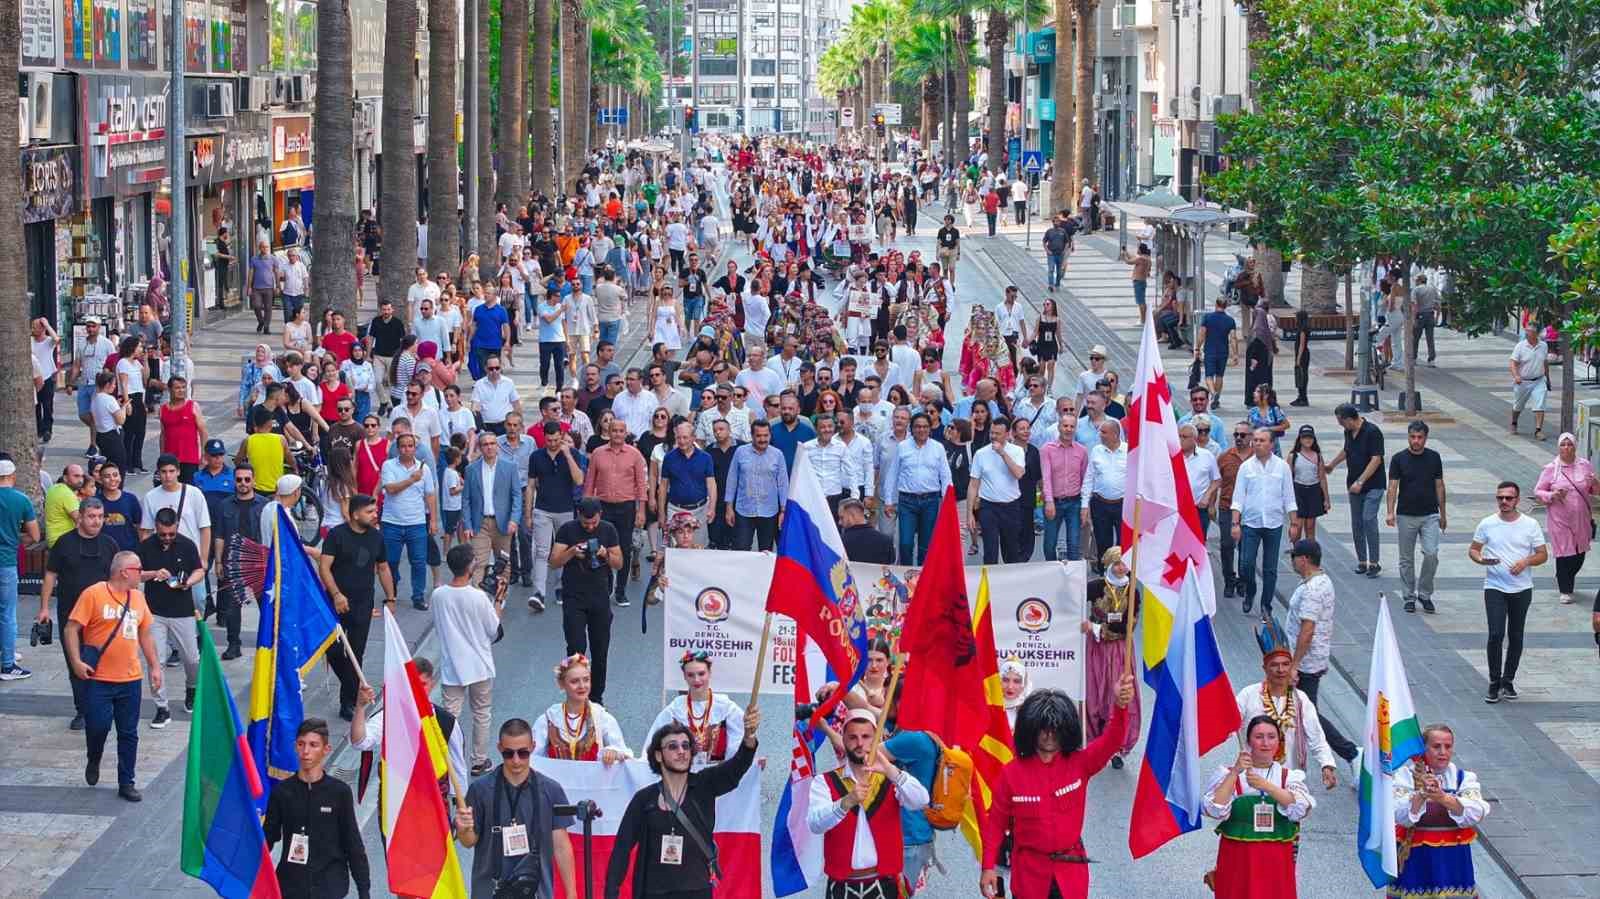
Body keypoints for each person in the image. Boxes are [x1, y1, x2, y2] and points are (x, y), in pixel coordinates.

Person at [980, 678, 1136, 898]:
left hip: (1070, 874)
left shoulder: (1080, 763)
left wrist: (1120, 706)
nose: (1049, 735)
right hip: (1029, 877)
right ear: (1031, 729)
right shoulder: (1011, 774)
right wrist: (988, 867)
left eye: (1055, 729)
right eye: (1043, 729)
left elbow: (1113, 739)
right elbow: (995, 824)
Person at [606, 700, 760, 899]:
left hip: (697, 891)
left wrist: (749, 736)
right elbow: (621, 850)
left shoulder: (704, 785)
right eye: (673, 746)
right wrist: (611, 893)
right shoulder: (644, 799)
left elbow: (738, 765)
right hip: (653, 892)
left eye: (686, 746)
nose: (681, 751)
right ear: (659, 755)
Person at [64, 551, 162, 801]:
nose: (142, 573)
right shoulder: (94, 594)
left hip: (130, 679)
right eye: (138, 569)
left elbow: (145, 635)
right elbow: (71, 628)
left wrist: (154, 666)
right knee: (98, 726)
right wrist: (75, 661)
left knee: (129, 733)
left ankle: (126, 781)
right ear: (123, 572)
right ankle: (94, 758)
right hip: (98, 679)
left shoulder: (139, 598)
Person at [807, 707, 932, 899]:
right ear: (844, 739)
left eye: (866, 737)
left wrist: (891, 770)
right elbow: (815, 824)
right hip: (842, 885)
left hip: (885, 883)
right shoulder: (825, 781)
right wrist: (846, 802)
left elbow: (921, 800)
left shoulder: (891, 778)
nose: (859, 743)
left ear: (876, 739)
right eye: (853, 737)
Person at [457, 718, 579, 899]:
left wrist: (571, 893)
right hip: (489, 892)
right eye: (508, 753)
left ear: (533, 747)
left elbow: (561, 846)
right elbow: (468, 842)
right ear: (499, 748)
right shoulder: (480, 790)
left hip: (537, 892)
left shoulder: (551, 790)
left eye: (523, 753)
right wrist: (463, 829)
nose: (516, 760)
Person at [1202, 716, 1315, 898]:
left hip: (1276, 863)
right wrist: (1235, 772)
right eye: (1259, 736)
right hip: (1238, 861)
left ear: (1279, 741)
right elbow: (1214, 809)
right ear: (1248, 742)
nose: (1265, 742)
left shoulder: (1289, 777)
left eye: (1271, 736)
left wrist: (1266, 786)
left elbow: (1301, 807)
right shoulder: (1230, 774)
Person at [262, 719, 372, 899]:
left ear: (326, 750)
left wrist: (364, 891)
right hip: (291, 887)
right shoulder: (282, 792)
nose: (306, 752)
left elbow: (352, 843)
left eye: (313, 745)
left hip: (330, 887)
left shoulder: (339, 792)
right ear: (295, 747)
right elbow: (267, 838)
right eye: (301, 744)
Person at [1236, 618, 1339, 790]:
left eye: (1285, 664)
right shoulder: (1248, 695)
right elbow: (1228, 722)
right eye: (1274, 665)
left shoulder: (1301, 699)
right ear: (1265, 668)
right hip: (1252, 776)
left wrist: (1326, 765)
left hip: (1288, 778)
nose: (1281, 670)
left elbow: (1316, 735)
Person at [1389, 724, 1491, 899]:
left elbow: (1478, 812)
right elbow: (1398, 814)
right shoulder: (1405, 776)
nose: (1443, 751)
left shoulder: (1463, 778)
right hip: (1416, 856)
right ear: (1423, 748)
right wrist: (1422, 794)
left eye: (1448, 746)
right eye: (1436, 746)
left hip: (1452, 858)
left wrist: (1443, 797)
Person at [1469, 480, 1549, 703]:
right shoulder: (1487, 523)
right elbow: (1474, 550)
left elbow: (1543, 554)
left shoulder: (1530, 525)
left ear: (1517, 500)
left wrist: (1525, 562)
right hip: (1494, 586)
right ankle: (1494, 682)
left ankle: (1508, 680)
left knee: (1515, 635)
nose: (1504, 502)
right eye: (1500, 498)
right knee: (1495, 634)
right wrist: (1481, 560)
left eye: (1508, 498)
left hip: (1521, 589)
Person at [317, 494, 396, 719]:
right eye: (369, 512)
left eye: (375, 511)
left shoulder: (376, 537)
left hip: (363, 602)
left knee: (356, 651)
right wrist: (336, 594)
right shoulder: (336, 535)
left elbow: (383, 568)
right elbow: (324, 567)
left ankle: (348, 702)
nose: (375, 514)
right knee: (331, 649)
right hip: (335, 602)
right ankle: (353, 685)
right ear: (354, 514)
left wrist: (390, 598)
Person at [1284, 540, 1359, 766]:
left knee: (1310, 715)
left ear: (1304, 559)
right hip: (1311, 659)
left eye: (1294, 556)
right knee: (1303, 710)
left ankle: (1352, 754)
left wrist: (1294, 665)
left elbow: (1307, 629)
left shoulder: (1313, 590)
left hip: (1307, 663)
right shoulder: (1319, 582)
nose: (1292, 561)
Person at [433, 544, 503, 776]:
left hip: (452, 664)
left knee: (449, 714)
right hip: (479, 664)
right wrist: (499, 601)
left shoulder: (438, 595)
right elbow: (494, 630)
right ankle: (478, 760)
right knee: (481, 713)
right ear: (470, 565)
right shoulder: (479, 597)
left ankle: (447, 759)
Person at [552, 499, 625, 703]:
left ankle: (596, 697)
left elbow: (619, 563)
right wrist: (572, 552)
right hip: (574, 597)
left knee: (600, 650)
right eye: (586, 524)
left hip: (600, 596)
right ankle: (574, 695)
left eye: (594, 523)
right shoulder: (567, 530)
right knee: (575, 648)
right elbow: (554, 561)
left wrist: (605, 554)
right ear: (578, 515)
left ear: (600, 515)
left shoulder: (608, 530)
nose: (590, 527)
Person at [135, 508, 203, 728]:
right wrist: (154, 573)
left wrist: (189, 582)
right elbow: (135, 574)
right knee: (156, 661)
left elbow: (199, 570)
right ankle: (161, 707)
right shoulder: (146, 546)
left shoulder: (187, 545)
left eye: (171, 534)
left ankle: (191, 688)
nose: (167, 538)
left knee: (192, 659)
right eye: (163, 534)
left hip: (182, 610)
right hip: (154, 612)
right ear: (156, 528)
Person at [1083, 549, 1141, 769]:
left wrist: (1097, 626)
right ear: (1108, 564)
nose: (1121, 568)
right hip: (1096, 649)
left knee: (1121, 693)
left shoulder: (1133, 591)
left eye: (1124, 563)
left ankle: (1119, 746)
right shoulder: (1096, 586)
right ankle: (1095, 739)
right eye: (1117, 564)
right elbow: (1072, 598)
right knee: (1095, 691)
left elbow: (1128, 624)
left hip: (1119, 649)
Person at [643, 651, 747, 770]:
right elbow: (653, 746)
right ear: (684, 676)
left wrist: (751, 762)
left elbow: (740, 743)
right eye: (691, 675)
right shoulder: (675, 710)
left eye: (701, 673)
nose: (696, 680)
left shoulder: (726, 708)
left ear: (709, 673)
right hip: (683, 778)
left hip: (717, 778)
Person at [1233, 428, 1297, 618]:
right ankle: (1250, 591)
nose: (1257, 443)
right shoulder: (1246, 467)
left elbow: (1289, 497)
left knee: (1270, 568)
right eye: (1256, 440)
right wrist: (1235, 523)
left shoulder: (1282, 467)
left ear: (1271, 444)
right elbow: (1238, 497)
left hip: (1274, 523)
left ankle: (1266, 604)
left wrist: (1294, 524)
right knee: (1246, 563)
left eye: (1262, 440)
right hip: (1250, 524)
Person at [584, 419, 647, 608]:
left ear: (625, 433)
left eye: (621, 431)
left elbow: (641, 485)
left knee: (624, 549)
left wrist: (641, 511)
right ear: (608, 432)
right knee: (601, 548)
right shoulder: (598, 453)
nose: (618, 434)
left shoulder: (635, 455)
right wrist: (586, 508)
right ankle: (606, 586)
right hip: (602, 507)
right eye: (614, 430)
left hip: (626, 507)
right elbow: (590, 482)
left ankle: (621, 590)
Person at [1387, 420, 1447, 613]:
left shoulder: (1434, 457)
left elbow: (1439, 485)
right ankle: (1409, 596)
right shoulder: (1398, 459)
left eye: (1420, 437)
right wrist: (1390, 511)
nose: (1416, 441)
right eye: (1413, 437)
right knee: (1406, 559)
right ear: (1408, 437)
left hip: (1430, 514)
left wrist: (1443, 513)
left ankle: (1425, 593)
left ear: (1425, 438)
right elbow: (1393, 487)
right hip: (1405, 515)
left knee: (1431, 554)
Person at [213, 464, 270, 659]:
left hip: (258, 562)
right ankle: (233, 645)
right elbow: (219, 535)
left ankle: (269, 643)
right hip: (234, 562)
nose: (243, 483)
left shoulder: (265, 505)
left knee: (266, 605)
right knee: (232, 606)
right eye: (239, 480)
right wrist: (218, 561)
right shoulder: (225, 506)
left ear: (253, 480)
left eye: (247, 479)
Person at [1534, 432, 1597, 606]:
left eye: (1570, 444)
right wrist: (1552, 494)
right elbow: (1538, 491)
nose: (1566, 448)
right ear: (1558, 448)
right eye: (1563, 445)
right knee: (1564, 552)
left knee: (1579, 554)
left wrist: (1595, 482)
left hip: (1581, 518)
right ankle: (1565, 589)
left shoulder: (1585, 465)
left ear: (1575, 446)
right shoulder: (1551, 468)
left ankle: (1565, 575)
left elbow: (1595, 490)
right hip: (1559, 519)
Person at [882, 412, 952, 565]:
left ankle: (922, 578)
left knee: (926, 545)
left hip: (930, 501)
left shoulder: (938, 448)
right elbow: (892, 475)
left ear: (929, 429)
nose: (922, 430)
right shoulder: (903, 447)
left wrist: (948, 501)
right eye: (918, 427)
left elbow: (946, 476)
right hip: (907, 501)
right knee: (905, 543)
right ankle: (906, 577)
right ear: (912, 429)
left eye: (925, 427)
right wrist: (888, 501)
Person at [380, 433, 441, 610]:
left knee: (419, 561)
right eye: (403, 446)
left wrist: (434, 520)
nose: (407, 449)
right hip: (392, 522)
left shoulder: (425, 469)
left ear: (415, 448)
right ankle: (392, 592)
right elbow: (390, 489)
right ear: (398, 448)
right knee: (391, 561)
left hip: (416, 522)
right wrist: (411, 480)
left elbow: (430, 494)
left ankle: (418, 596)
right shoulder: (389, 465)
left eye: (410, 446)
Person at [533, 651, 631, 760]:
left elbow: (624, 753)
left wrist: (613, 752)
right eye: (574, 681)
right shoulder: (549, 719)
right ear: (561, 684)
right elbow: (533, 758)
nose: (582, 686)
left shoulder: (601, 717)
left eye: (586, 680)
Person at [1326, 403, 1386, 577]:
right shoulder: (1349, 431)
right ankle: (1362, 560)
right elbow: (1347, 450)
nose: (1340, 425)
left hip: (1373, 484)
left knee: (1368, 519)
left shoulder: (1372, 432)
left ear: (1350, 419)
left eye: (1341, 421)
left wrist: (1361, 481)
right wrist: (1332, 465)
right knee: (1357, 523)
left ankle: (1374, 562)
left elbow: (1376, 459)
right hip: (1353, 484)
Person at [461, 431, 523, 576]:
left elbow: (517, 496)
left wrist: (514, 520)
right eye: (485, 444)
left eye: (492, 443)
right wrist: (467, 525)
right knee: (478, 564)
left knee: (503, 565)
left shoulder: (510, 467)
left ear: (498, 446)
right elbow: (466, 499)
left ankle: (501, 599)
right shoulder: (471, 470)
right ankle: (478, 599)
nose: (489, 447)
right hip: (479, 523)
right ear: (480, 448)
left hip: (503, 523)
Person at [0, 459, 40, 680]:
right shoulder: (21, 500)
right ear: (12, 476)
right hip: (6, 562)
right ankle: (7, 664)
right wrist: (13, 538)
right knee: (7, 614)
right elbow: (34, 536)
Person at [725, 419, 789, 552]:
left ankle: (763, 574)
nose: (762, 439)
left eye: (766, 435)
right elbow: (732, 479)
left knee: (765, 552)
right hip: (744, 510)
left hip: (769, 511)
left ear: (770, 435)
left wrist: (783, 510)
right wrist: (729, 507)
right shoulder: (740, 452)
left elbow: (783, 484)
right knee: (741, 550)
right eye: (759, 435)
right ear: (752, 436)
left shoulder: (778, 455)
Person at [971, 417, 1027, 565]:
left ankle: (1011, 583)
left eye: (998, 433)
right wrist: (969, 512)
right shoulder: (981, 453)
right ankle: (990, 584)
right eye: (992, 433)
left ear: (1007, 434)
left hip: (1011, 506)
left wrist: (1002, 453)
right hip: (988, 506)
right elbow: (973, 484)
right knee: (990, 550)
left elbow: (1018, 474)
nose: (993, 436)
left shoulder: (1017, 451)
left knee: (1011, 551)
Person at [1081, 418, 1128, 572]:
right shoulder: (1096, 451)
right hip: (1100, 504)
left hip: (1123, 505)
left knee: (1124, 543)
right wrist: (1084, 505)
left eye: (1103, 432)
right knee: (1102, 542)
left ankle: (1123, 575)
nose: (1100, 434)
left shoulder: (1129, 451)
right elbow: (1089, 478)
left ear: (1115, 435)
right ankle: (1104, 575)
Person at [1288, 425, 1329, 543]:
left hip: (1313, 490)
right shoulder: (1293, 456)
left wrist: (1326, 499)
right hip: (1298, 491)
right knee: (1298, 525)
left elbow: (1322, 478)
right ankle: (1297, 552)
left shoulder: (1318, 456)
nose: (1308, 440)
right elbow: (1288, 478)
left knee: (1310, 526)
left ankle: (1310, 553)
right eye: (1305, 437)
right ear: (1300, 439)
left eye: (1310, 437)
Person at [1508, 322, 1549, 439]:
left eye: (1530, 331)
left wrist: (1548, 378)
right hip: (1523, 381)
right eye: (1527, 330)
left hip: (1539, 380)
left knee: (1540, 404)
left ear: (1537, 333)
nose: (1527, 333)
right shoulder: (1520, 346)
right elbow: (1513, 363)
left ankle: (1538, 430)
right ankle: (1514, 422)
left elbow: (1545, 362)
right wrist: (1516, 376)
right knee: (1518, 405)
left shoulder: (1543, 346)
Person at [1196, 297, 1238, 408]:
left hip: (1210, 350)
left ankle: (1213, 394)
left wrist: (1197, 348)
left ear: (1216, 304)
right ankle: (1217, 397)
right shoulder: (1230, 320)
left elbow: (1202, 334)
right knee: (1220, 375)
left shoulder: (1208, 318)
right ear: (1226, 306)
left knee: (1209, 375)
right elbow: (1233, 338)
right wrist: (1235, 354)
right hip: (1223, 351)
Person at [838, 497, 894, 563]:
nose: (839, 522)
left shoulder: (840, 542)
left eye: (842, 518)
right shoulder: (886, 541)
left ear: (852, 516)